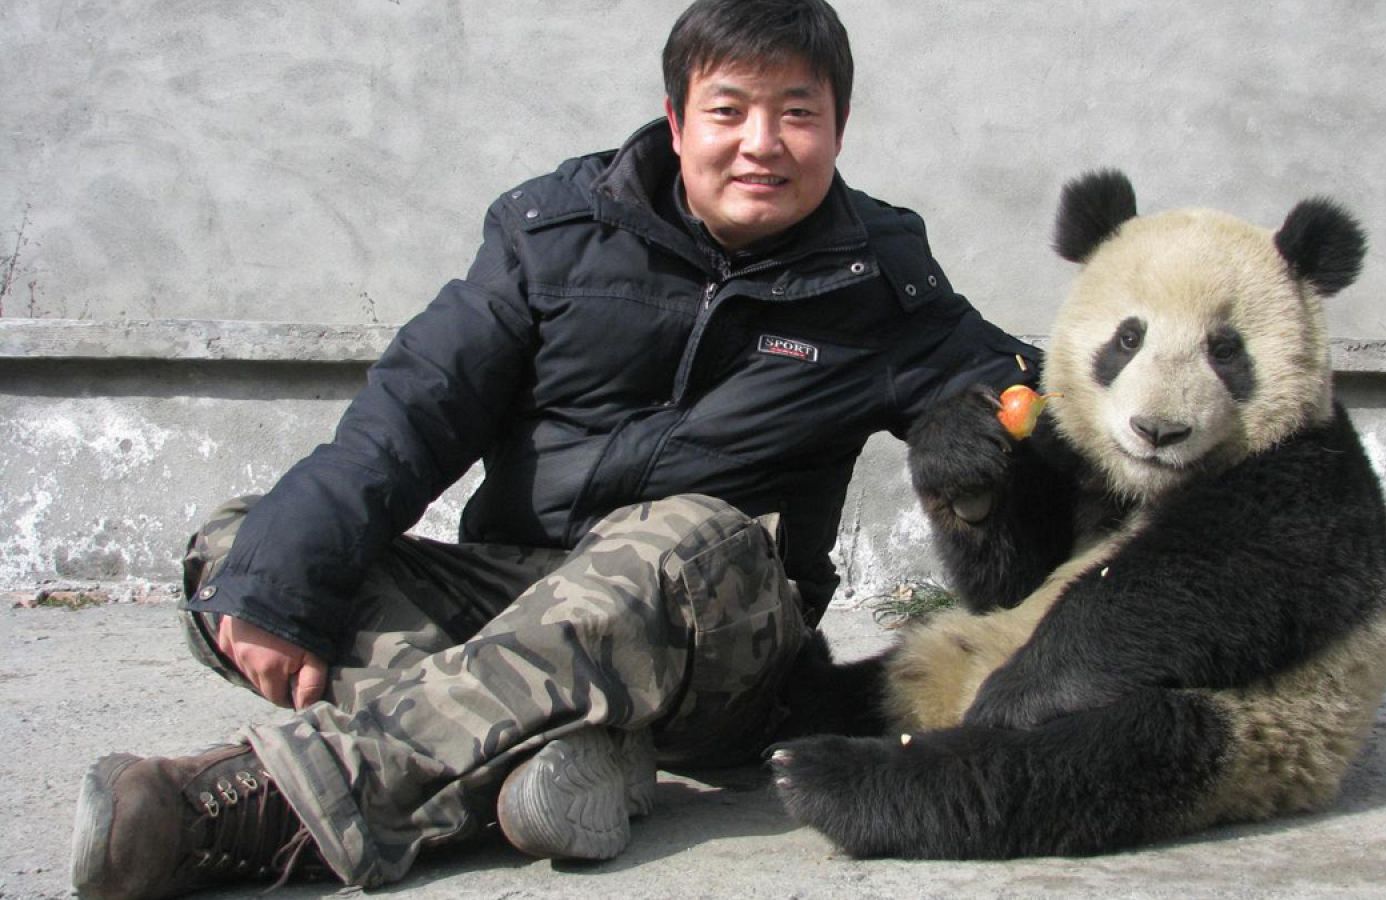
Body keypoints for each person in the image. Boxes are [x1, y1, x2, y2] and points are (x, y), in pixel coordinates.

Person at [68, 1, 1040, 897]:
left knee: (687, 533)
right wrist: (281, 583)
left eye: (796, 113)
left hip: (723, 654)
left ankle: (251, 811)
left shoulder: (878, 276)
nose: (760, 144)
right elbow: (412, 410)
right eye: (729, 110)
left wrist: (1025, 414)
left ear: (837, 126)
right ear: (676, 119)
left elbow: (1016, 387)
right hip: (521, 588)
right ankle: (551, 753)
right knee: (249, 549)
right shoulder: (553, 233)